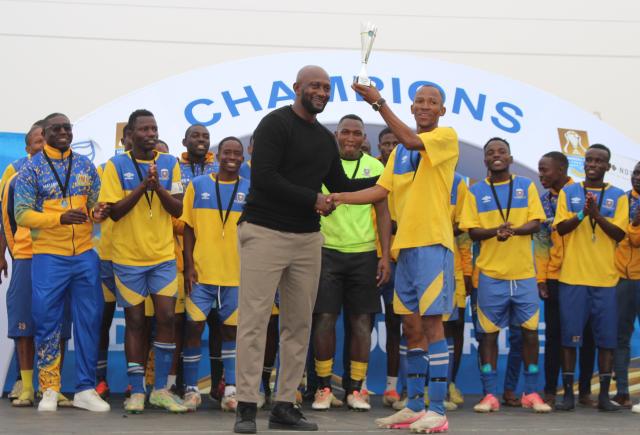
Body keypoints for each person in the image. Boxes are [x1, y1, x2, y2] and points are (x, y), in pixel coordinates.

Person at [233, 65, 377, 434]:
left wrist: (390, 180)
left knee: (298, 325)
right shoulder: (275, 125)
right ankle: (247, 408)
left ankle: (284, 405)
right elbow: (264, 176)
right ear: (297, 87)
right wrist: (313, 198)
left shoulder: (324, 140)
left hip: (308, 240)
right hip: (264, 231)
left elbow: (341, 184)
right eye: (314, 85)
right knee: (254, 322)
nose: (321, 92)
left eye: (326, 87)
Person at [330, 83, 458, 433]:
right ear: (413, 107)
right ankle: (414, 406)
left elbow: (415, 140)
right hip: (404, 250)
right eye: (419, 101)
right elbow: (379, 192)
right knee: (411, 328)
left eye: (433, 102)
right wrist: (339, 197)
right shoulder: (399, 153)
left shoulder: (445, 137)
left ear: (441, 111)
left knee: (432, 325)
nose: (425, 106)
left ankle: (438, 409)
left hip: (433, 244)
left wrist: (379, 104)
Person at [15, 112, 111, 412]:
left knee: (89, 320)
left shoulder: (85, 165)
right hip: (48, 255)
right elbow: (22, 214)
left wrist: (97, 213)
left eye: (67, 128)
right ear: (45, 132)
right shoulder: (30, 169)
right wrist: (59, 217)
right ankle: (50, 388)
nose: (63, 132)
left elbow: (95, 203)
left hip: (84, 254)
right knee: (46, 321)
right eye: (56, 128)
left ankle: (84, 388)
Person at [98, 109, 186, 413]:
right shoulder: (116, 165)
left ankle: (160, 388)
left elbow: (177, 210)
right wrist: (141, 188)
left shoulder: (170, 164)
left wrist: (157, 188)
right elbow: (115, 211)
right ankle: (137, 390)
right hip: (127, 257)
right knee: (135, 322)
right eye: (145, 129)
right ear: (131, 134)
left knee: (166, 317)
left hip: (162, 257)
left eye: (154, 129)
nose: (151, 134)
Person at [460, 138, 550, 414]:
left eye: (501, 152)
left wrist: (511, 231)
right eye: (490, 153)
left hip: (524, 275)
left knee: (530, 335)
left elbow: (536, 223)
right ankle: (490, 394)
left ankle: (531, 392)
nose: (496, 156)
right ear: (485, 160)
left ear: (510, 158)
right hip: (489, 275)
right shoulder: (475, 192)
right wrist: (495, 232)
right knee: (487, 336)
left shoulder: (526, 186)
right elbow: (472, 231)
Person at [311, 114, 391, 412]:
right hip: (326, 251)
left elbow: (383, 214)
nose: (351, 138)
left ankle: (356, 389)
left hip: (364, 254)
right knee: (325, 319)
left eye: (357, 133)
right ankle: (323, 388)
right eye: (345, 132)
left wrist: (384, 254)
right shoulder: (323, 163)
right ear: (336, 134)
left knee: (361, 322)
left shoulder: (376, 167)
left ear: (364, 139)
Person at [2, 120, 72, 408]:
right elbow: (7, 215)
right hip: (28, 256)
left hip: (58, 256)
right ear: (28, 146)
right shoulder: (16, 173)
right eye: (37, 141)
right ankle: (28, 385)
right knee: (24, 323)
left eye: (47, 140)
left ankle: (52, 387)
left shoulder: (71, 170)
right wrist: (12, 249)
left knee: (59, 325)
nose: (43, 146)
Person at [554, 144, 628, 412]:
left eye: (599, 161)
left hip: (606, 280)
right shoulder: (569, 192)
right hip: (572, 278)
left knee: (606, 340)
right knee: (569, 339)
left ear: (608, 166)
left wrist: (597, 215)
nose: (593, 164)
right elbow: (561, 228)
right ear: (583, 163)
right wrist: (584, 213)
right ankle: (569, 396)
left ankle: (605, 396)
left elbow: (620, 235)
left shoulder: (618, 196)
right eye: (589, 160)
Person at [181, 136, 248, 412]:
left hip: (236, 274)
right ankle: (191, 388)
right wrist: (188, 266)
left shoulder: (250, 188)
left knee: (231, 331)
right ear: (216, 155)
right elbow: (187, 227)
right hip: (202, 274)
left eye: (237, 153)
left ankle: (231, 389)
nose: (231, 157)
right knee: (194, 328)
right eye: (226, 152)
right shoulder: (198, 186)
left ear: (242, 159)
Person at [534, 151, 596, 406]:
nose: (541, 175)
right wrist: (541, 279)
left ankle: (585, 391)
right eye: (539, 169)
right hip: (555, 277)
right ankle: (550, 389)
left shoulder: (581, 194)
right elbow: (541, 242)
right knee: (555, 335)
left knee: (588, 334)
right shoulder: (543, 200)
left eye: (545, 170)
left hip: (584, 274)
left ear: (561, 169)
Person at [95, 123, 132, 399]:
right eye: (130, 135)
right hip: (106, 255)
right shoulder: (104, 170)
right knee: (102, 321)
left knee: (138, 322)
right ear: (124, 138)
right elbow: (101, 211)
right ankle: (99, 379)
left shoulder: (156, 168)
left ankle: (137, 381)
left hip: (137, 259)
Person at [613, 162, 640, 409]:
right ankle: (622, 392)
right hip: (622, 278)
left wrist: (635, 224)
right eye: (635, 173)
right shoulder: (621, 200)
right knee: (620, 336)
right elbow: (619, 235)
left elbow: (636, 239)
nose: (638, 178)